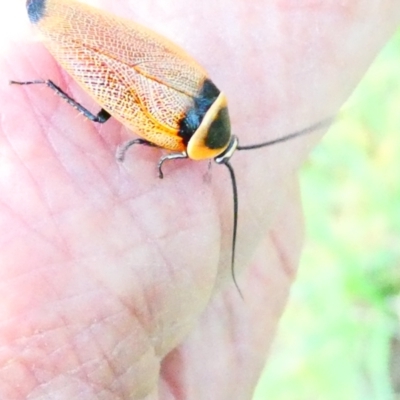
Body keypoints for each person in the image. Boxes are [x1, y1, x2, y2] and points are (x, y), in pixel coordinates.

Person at [0, 0, 399, 398]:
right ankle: (49, 67)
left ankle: (51, 25)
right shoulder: (178, 139)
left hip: (172, 76)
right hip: (158, 106)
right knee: (97, 115)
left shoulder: (210, 97)